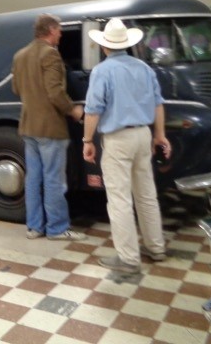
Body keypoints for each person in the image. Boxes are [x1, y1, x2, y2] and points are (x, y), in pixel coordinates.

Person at [82, 18, 171, 274]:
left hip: (118, 139)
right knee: (146, 194)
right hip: (143, 134)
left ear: (104, 47)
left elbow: (93, 110)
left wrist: (87, 140)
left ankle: (129, 259)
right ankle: (156, 247)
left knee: (119, 199)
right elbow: (158, 103)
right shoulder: (144, 68)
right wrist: (160, 135)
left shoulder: (102, 71)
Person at [12, 13, 86, 241]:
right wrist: (73, 110)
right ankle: (56, 228)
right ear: (51, 30)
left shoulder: (20, 55)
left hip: (28, 126)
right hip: (50, 128)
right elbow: (55, 92)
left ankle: (35, 227)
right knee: (54, 179)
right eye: (60, 30)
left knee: (33, 178)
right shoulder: (51, 55)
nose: (61, 34)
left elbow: (16, 89)